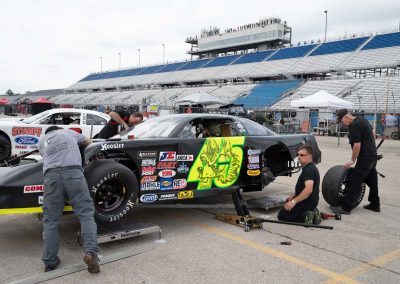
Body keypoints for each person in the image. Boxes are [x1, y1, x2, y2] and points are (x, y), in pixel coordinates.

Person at [39, 126, 100, 273]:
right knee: (86, 216)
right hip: (73, 173)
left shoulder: (42, 141)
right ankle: (91, 253)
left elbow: (46, 157)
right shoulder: (68, 132)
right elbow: (88, 141)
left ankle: (50, 262)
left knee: (50, 221)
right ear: (59, 128)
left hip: (51, 177)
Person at [330, 109, 380, 215]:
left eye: (342, 121)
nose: (342, 124)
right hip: (372, 155)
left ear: (346, 117)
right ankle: (375, 204)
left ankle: (345, 208)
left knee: (354, 181)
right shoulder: (362, 119)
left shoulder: (355, 126)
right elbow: (372, 132)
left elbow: (357, 145)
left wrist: (352, 160)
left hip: (365, 158)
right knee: (372, 181)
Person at [278, 145, 321, 224]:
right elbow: (303, 187)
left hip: (307, 202)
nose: (298, 157)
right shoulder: (310, 168)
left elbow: (308, 190)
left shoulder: (309, 170)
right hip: (311, 202)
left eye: (301, 155)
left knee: (282, 215)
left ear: (309, 156)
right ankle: (312, 212)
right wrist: (293, 196)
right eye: (298, 155)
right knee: (286, 208)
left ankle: (306, 216)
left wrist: (293, 202)